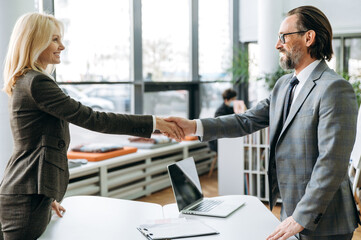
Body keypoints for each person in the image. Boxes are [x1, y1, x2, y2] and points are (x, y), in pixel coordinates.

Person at [166, 5, 359, 240]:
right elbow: (245, 120)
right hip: (290, 212)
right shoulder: (284, 85)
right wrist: (193, 126)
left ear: (309, 37)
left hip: (325, 221)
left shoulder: (334, 88)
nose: (277, 44)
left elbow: (331, 163)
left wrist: (301, 216)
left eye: (283, 37)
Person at [0, 12, 184, 240]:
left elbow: (36, 143)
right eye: (54, 39)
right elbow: (94, 119)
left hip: (30, 193)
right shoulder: (37, 82)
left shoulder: (27, 80)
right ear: (35, 42)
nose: (62, 46)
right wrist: (155, 123)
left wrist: (45, 197)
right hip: (26, 196)